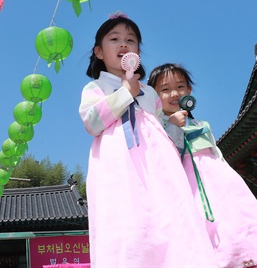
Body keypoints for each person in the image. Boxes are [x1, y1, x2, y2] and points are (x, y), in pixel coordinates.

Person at [79, 13, 219, 267]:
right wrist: (124, 93)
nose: (124, 44)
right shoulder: (95, 88)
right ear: (99, 52)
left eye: (131, 40)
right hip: (119, 165)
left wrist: (174, 125)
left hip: (157, 164)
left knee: (168, 216)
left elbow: (161, 131)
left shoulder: (150, 92)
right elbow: (92, 123)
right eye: (115, 39)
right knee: (127, 221)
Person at [147, 63, 257, 268]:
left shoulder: (202, 124)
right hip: (189, 187)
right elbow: (166, 159)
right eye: (165, 89)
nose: (174, 93)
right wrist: (173, 127)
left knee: (235, 227)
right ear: (154, 97)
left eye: (180, 87)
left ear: (189, 91)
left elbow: (218, 155)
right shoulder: (156, 127)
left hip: (220, 184)